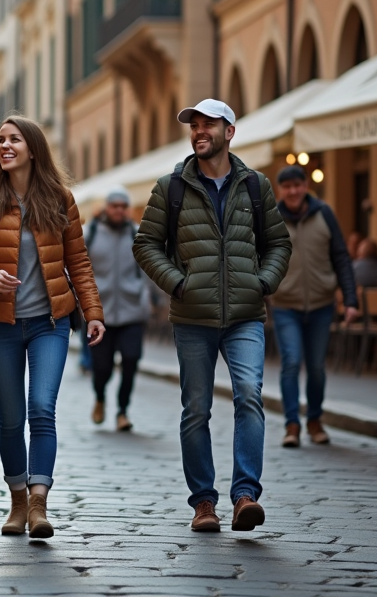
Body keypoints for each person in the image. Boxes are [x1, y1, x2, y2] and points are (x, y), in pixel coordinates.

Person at [133, 99, 291, 534]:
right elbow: (145, 244)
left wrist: (263, 282)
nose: (199, 131)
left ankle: (245, 496)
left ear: (230, 132)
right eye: (195, 125)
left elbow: (279, 243)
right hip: (192, 317)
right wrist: (179, 283)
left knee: (249, 396)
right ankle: (203, 503)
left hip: (245, 315)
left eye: (209, 124)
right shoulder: (172, 188)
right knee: (196, 409)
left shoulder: (256, 186)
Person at [0, 115, 105, 539]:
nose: (4, 146)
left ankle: (39, 504)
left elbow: (78, 262)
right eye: (0, 140)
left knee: (41, 409)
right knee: (10, 417)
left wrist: (93, 312)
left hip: (49, 323)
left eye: (14, 139)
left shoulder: (60, 200)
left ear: (33, 148)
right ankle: (17, 501)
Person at [270, 166, 359, 449]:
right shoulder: (271, 218)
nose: (293, 191)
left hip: (322, 304)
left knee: (317, 367)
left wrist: (351, 300)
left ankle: (315, 420)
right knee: (292, 362)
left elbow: (341, 257)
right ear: (280, 190)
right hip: (285, 304)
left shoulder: (325, 214)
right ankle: (292, 424)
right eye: (287, 187)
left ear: (306, 186)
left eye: (298, 185)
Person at [84, 188, 149, 433]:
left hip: (132, 311)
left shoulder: (138, 235)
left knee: (131, 360)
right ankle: (100, 397)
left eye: (124, 206)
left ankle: (123, 411)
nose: (120, 210)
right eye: (115, 206)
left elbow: (149, 269)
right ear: (107, 208)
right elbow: (78, 269)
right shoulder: (89, 234)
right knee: (102, 368)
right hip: (99, 314)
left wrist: (150, 297)